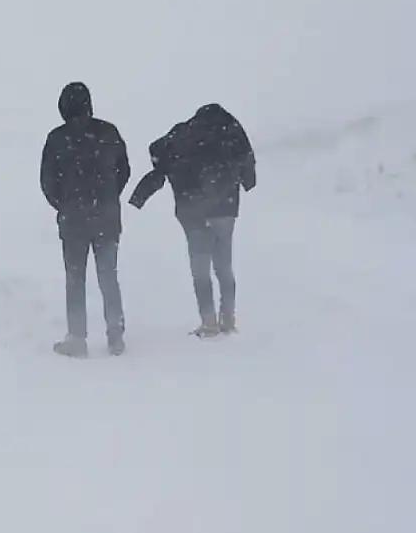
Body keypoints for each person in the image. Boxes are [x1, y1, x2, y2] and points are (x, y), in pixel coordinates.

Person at [128, 103, 256, 337]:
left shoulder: (184, 132)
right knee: (224, 267)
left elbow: (156, 149)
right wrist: (247, 180)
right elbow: (248, 162)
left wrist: (145, 189)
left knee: (200, 269)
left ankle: (208, 322)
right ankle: (228, 319)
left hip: (193, 211)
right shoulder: (232, 130)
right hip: (226, 210)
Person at [40, 81, 131, 357]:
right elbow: (123, 172)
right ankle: (115, 336)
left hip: (73, 221)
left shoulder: (57, 138)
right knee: (108, 277)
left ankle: (77, 338)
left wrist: (65, 205)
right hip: (106, 218)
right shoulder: (109, 132)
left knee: (75, 279)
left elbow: (47, 182)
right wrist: (106, 198)